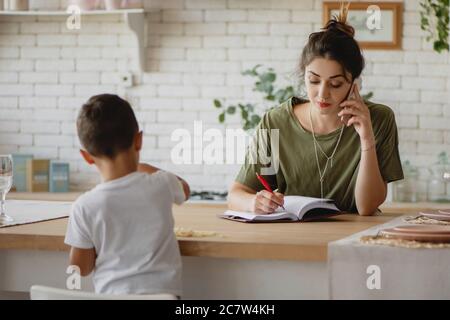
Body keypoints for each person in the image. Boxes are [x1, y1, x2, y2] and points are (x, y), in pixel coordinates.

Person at [227, 3, 404, 216]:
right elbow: (237, 193)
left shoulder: (379, 119)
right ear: (304, 75)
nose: (322, 94)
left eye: (336, 84)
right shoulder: (275, 122)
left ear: (353, 84)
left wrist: (366, 140)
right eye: (313, 80)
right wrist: (253, 202)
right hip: (293, 237)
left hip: (354, 237)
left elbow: (366, 208)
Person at [65, 94, 190, 296]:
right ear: (138, 140)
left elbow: (80, 268)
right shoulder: (162, 184)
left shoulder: (84, 206)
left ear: (87, 156)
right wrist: (141, 167)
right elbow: (184, 189)